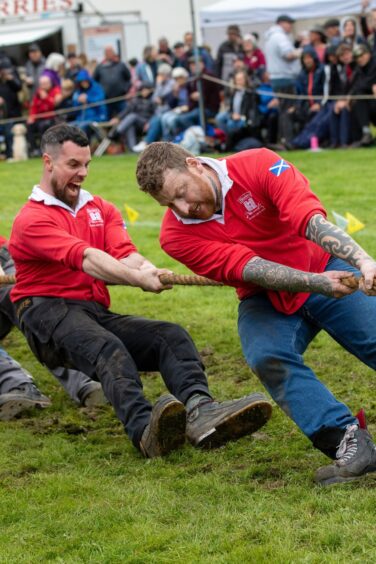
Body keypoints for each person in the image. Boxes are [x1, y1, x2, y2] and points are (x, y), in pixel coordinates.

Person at [9, 124, 272, 458]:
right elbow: (88, 259)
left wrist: (148, 270)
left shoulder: (101, 209)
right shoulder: (31, 219)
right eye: (73, 165)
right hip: (44, 312)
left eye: (87, 164)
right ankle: (146, 432)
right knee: (108, 348)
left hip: (90, 310)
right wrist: (137, 280)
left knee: (170, 336)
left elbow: (125, 254)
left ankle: (202, 411)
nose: (83, 173)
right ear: (48, 162)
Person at [136, 141, 376, 484]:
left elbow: (308, 219)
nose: (183, 208)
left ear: (195, 165)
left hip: (323, 263)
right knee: (266, 354)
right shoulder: (174, 236)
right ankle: (348, 443)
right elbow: (250, 268)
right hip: (266, 294)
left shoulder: (258, 164)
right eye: (169, 204)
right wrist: (315, 283)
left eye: (182, 193)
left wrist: (363, 260)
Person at [264, 14, 302, 145]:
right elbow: (288, 54)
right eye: (289, 23)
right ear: (281, 23)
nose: (291, 26)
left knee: (282, 110)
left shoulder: (269, 37)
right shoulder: (280, 36)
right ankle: (288, 140)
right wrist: (301, 51)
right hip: (285, 77)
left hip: (276, 78)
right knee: (288, 110)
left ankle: (284, 138)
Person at [93, 46, 131, 118]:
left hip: (120, 98)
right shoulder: (100, 67)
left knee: (124, 117)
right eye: (107, 52)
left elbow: (128, 79)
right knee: (107, 119)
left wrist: (125, 89)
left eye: (110, 52)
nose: (109, 54)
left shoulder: (121, 65)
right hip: (107, 100)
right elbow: (95, 81)